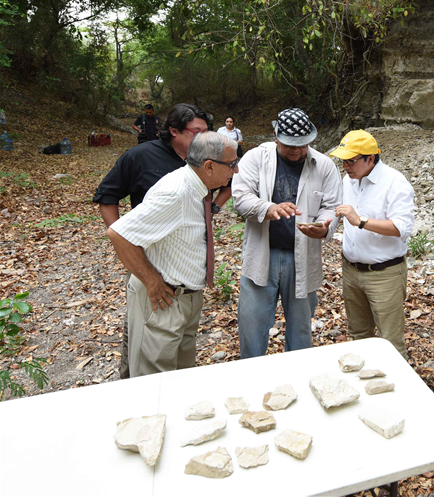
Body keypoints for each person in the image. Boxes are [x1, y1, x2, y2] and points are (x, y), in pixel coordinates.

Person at [94, 103, 231, 379]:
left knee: (179, 381)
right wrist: (150, 279)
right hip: (163, 300)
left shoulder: (197, 185)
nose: (235, 172)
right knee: (153, 388)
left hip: (187, 297)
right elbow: (119, 233)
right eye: (232, 165)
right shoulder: (176, 191)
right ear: (208, 165)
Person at [231, 108, 341, 358]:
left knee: (301, 329)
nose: (296, 151)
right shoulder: (255, 158)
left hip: (301, 257)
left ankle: (299, 380)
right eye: (290, 145)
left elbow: (332, 207)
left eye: (302, 145)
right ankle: (252, 377)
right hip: (262, 254)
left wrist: (323, 227)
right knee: (252, 325)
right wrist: (269, 208)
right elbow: (240, 197)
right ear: (276, 135)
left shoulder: (323, 165)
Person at [329, 130, 415, 359]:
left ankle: (398, 390)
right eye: (342, 160)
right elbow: (338, 211)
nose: (345, 166)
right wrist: (322, 228)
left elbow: (402, 228)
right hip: (351, 271)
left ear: (370, 158)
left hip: (384, 274)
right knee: (358, 336)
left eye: (351, 160)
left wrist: (361, 221)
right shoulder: (348, 180)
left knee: (390, 343)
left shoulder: (395, 182)